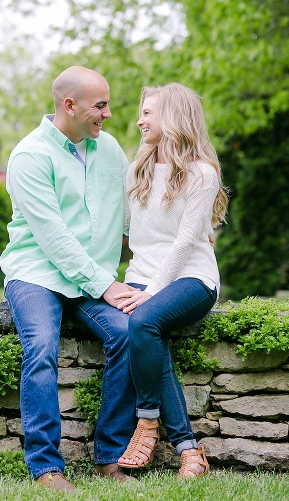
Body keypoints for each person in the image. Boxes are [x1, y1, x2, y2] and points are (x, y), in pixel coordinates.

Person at [0, 66, 137, 491]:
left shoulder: (109, 148)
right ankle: (45, 467)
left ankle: (109, 458)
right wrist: (107, 285)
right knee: (40, 347)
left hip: (89, 279)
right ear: (69, 105)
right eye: (100, 105)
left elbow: (132, 211)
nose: (109, 114)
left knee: (132, 333)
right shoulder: (30, 156)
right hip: (36, 274)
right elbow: (53, 238)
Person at [112, 83, 228, 478]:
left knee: (143, 321)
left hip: (191, 278)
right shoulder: (137, 169)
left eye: (148, 113)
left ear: (174, 117)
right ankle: (189, 451)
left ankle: (146, 422)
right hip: (143, 278)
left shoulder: (201, 173)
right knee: (147, 333)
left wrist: (151, 294)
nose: (139, 120)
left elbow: (182, 243)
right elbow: (127, 232)